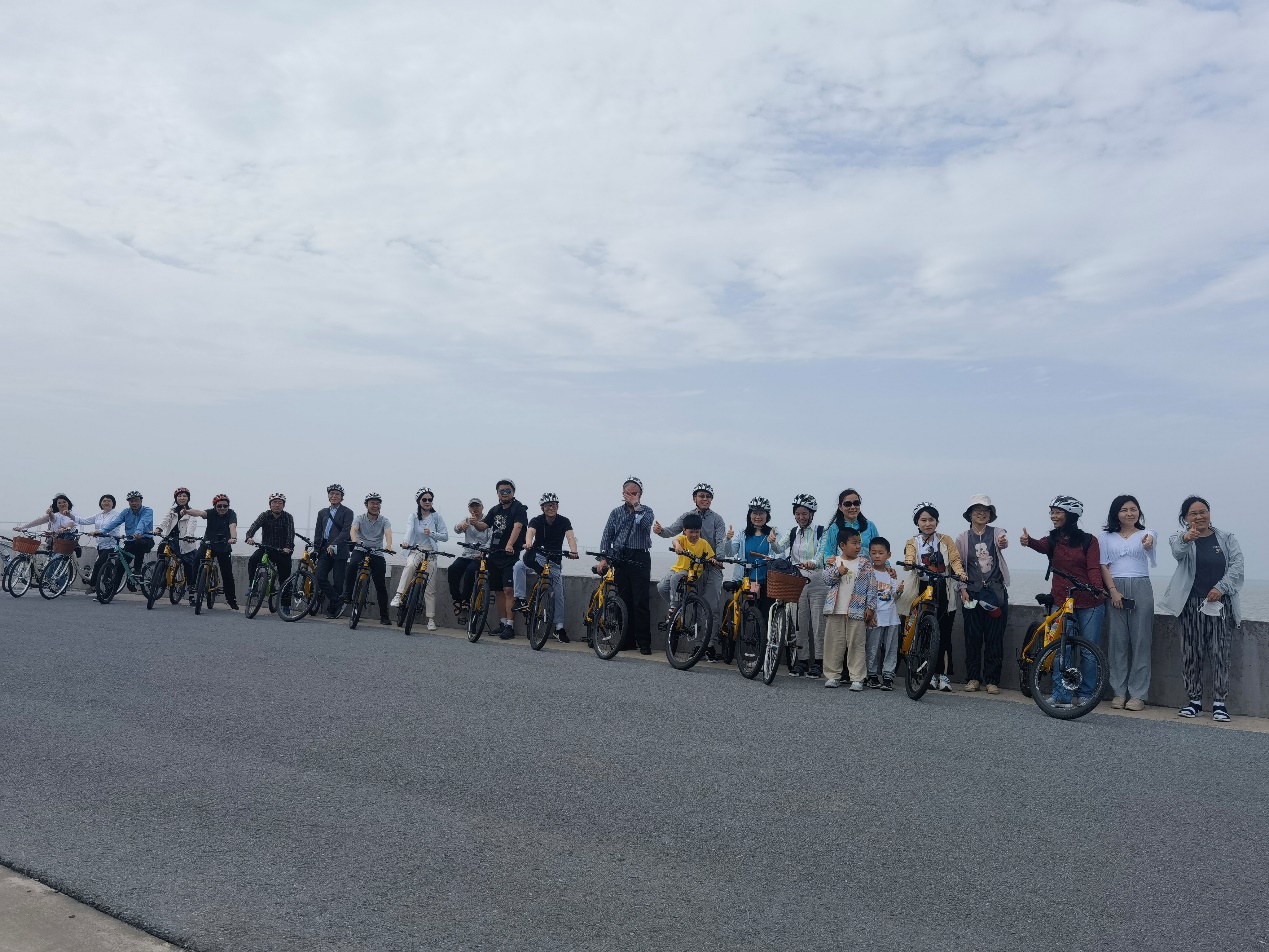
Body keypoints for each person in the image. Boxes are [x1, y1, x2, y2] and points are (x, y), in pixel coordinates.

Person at [1161, 496, 1244, 722]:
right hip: (1190, 604)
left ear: (1209, 513)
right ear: (1185, 518)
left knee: (1220, 652)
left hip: (1221, 604)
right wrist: (1187, 538)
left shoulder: (1226, 538)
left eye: (1203, 511)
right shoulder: (1179, 537)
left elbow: (1237, 566)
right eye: (1193, 513)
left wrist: (1220, 588)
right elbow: (1177, 552)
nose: (1199, 516)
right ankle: (1194, 701)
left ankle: (1219, 703)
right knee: (1191, 653)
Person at [1021, 495, 1104, 708]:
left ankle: (1086, 694)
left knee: (1089, 651)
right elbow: (1040, 545)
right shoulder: (1053, 539)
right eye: (1052, 512)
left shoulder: (1089, 540)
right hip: (1062, 600)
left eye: (1058, 512)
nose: (1053, 516)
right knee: (1060, 649)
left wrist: (1097, 588)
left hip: (1090, 601)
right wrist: (1028, 542)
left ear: (1071, 516)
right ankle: (1061, 696)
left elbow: (1093, 567)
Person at [900, 503, 969, 693]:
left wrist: (960, 573)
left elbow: (954, 559)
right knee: (923, 632)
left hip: (942, 588)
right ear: (917, 523)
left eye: (931, 520)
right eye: (923, 520)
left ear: (937, 522)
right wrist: (908, 562)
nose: (928, 523)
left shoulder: (945, 540)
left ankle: (943, 675)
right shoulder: (913, 542)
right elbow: (909, 557)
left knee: (944, 633)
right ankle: (926, 674)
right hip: (922, 588)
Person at [655, 483, 728, 656]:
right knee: (679, 596)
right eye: (701, 496)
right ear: (694, 498)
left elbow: (720, 541)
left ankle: (708, 645)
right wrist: (660, 531)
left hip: (711, 566)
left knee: (710, 607)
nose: (705, 499)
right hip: (691, 566)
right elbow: (672, 531)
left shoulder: (717, 519)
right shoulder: (687, 516)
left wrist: (718, 559)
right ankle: (681, 613)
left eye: (708, 496)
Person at [1099, 495, 1157, 711]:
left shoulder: (1147, 533)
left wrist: (1149, 542)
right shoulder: (1105, 537)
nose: (1129, 513)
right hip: (1115, 587)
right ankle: (1119, 691)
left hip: (1141, 586)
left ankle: (1138, 694)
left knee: (1141, 640)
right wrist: (1113, 591)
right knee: (1117, 641)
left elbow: (1150, 543)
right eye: (1124, 510)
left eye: (1134, 509)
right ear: (1116, 513)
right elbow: (1103, 565)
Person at [954, 496, 1009, 694]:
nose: (981, 513)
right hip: (972, 593)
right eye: (977, 510)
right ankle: (973, 678)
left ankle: (992, 681)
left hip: (995, 593)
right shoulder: (962, 538)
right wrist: (962, 589)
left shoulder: (997, 532)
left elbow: (1002, 541)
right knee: (972, 637)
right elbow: (958, 565)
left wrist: (1003, 542)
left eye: (985, 510)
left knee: (995, 638)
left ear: (990, 514)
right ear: (970, 514)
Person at [598, 477, 655, 654]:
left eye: (635, 493)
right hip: (621, 558)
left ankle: (644, 642)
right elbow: (607, 536)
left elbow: (646, 524)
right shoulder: (616, 513)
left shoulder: (646, 511)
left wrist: (636, 505)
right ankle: (626, 640)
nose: (631, 496)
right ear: (623, 494)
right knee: (623, 600)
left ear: (641, 494)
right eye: (628, 493)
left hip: (640, 557)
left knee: (641, 601)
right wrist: (604, 558)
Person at [514, 492, 579, 642]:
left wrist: (573, 550)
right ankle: (520, 599)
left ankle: (559, 627)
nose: (551, 508)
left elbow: (570, 536)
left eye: (554, 505)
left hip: (554, 561)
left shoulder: (564, 521)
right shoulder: (537, 520)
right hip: (537, 557)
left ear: (557, 506)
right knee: (518, 566)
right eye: (548, 505)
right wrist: (528, 543)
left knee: (558, 593)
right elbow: (530, 532)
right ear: (542, 508)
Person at [821, 527, 878, 691]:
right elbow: (826, 579)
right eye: (854, 543)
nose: (858, 546)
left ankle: (857, 678)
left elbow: (872, 587)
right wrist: (837, 572)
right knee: (834, 643)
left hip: (857, 611)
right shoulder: (834, 561)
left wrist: (871, 607)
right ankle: (833, 676)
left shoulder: (865, 563)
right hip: (835, 610)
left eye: (859, 543)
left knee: (857, 644)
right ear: (842, 545)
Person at [471, 479, 528, 639]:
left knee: (508, 590)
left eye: (508, 490)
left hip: (510, 555)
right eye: (501, 491)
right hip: (494, 555)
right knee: (498, 592)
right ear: (497, 493)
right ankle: (502, 623)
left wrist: (509, 544)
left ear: (513, 492)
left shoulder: (518, 508)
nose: (505, 493)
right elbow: (483, 526)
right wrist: (475, 523)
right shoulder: (495, 510)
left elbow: (518, 527)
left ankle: (510, 626)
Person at [720, 497, 785, 625]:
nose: (758, 517)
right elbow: (730, 552)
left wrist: (773, 545)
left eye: (761, 513)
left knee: (766, 617)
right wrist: (727, 540)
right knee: (745, 616)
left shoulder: (774, 534)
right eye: (755, 513)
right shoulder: (742, 534)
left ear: (767, 516)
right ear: (750, 515)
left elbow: (781, 554)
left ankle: (762, 638)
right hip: (746, 581)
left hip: (768, 581)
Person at [391, 488, 449, 631]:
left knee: (430, 587)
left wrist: (432, 533)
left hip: (431, 552)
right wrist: (406, 541)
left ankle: (431, 619)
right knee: (410, 566)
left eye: (430, 500)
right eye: (424, 499)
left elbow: (445, 536)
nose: (428, 502)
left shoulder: (436, 517)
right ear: (419, 501)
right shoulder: (413, 516)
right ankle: (399, 595)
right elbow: (409, 529)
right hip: (416, 549)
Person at [786, 494, 827, 678]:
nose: (801, 517)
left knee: (819, 623)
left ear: (811, 514)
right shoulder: (792, 532)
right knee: (799, 622)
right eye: (797, 513)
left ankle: (819, 661)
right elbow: (779, 548)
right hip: (797, 579)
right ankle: (801, 660)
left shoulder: (821, 531)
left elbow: (822, 553)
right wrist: (773, 542)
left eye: (804, 513)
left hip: (818, 579)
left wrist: (814, 562)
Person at [343, 491, 394, 625]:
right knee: (352, 564)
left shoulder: (384, 520)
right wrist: (354, 540)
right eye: (372, 503)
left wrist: (388, 545)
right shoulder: (360, 518)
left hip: (377, 552)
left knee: (380, 584)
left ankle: (384, 616)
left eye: (377, 503)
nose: (375, 506)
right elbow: (353, 530)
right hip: (361, 549)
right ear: (366, 505)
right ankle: (347, 594)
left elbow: (388, 533)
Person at [184, 494, 240, 610]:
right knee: (197, 559)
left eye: (225, 506)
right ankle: (193, 585)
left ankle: (231, 600)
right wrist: (187, 512)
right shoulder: (210, 512)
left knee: (227, 574)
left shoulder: (231, 514)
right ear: (215, 506)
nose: (222, 508)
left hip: (224, 545)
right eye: (219, 506)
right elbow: (199, 513)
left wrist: (233, 538)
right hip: (208, 543)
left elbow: (232, 526)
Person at [244, 493, 295, 613]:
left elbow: (290, 534)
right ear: (270, 505)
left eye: (280, 503)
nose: (277, 505)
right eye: (274, 503)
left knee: (285, 577)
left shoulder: (288, 517)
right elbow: (254, 526)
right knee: (253, 560)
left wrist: (288, 547)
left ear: (283, 505)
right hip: (266, 548)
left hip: (282, 550)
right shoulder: (265, 515)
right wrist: (249, 537)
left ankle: (285, 605)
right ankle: (252, 586)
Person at [656, 513, 719, 609]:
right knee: (661, 587)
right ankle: (678, 607)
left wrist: (713, 561)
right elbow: (675, 541)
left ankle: (674, 607)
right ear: (684, 530)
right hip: (677, 569)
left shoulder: (703, 543)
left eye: (697, 532)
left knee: (675, 578)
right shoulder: (683, 539)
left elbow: (711, 556)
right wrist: (678, 546)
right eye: (691, 532)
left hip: (691, 572)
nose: (694, 535)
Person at [865, 538, 903, 690]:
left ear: (888, 555)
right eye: (874, 553)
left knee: (891, 648)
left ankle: (888, 675)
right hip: (875, 617)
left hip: (892, 617)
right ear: (869, 554)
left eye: (881, 553)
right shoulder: (868, 572)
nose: (877, 556)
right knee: (872, 646)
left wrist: (899, 591)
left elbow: (894, 595)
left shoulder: (890, 574)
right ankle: (872, 674)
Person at [154, 488, 203, 602]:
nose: (182, 498)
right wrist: (158, 529)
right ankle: (161, 572)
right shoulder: (172, 511)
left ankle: (191, 593)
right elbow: (165, 521)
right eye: (179, 496)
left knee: (189, 566)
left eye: (184, 496)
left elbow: (192, 524)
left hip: (185, 541)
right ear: (176, 498)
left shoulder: (191, 512)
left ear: (188, 498)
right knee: (161, 548)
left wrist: (189, 535)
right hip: (171, 539)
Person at [313, 484, 355, 618]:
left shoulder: (347, 512)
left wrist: (334, 544)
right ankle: (337, 600)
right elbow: (318, 532)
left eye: (337, 494)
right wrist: (316, 548)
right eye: (331, 494)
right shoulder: (322, 512)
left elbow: (345, 532)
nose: (334, 496)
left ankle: (333, 608)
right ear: (328, 496)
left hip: (340, 549)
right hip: (324, 549)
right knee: (319, 577)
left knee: (338, 581)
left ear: (342, 497)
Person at [99, 491, 155, 583]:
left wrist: (138, 532)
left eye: (136, 500)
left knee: (139, 543)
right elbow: (115, 522)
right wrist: (102, 531)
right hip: (131, 541)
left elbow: (143, 522)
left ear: (141, 501)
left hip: (146, 540)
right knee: (120, 566)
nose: (134, 503)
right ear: (128, 502)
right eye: (131, 501)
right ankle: (112, 590)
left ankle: (137, 570)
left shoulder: (148, 511)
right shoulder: (126, 512)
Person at [450, 498, 492, 614]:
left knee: (471, 570)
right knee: (452, 569)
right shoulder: (467, 520)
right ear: (469, 509)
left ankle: (466, 600)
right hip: (467, 554)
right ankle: (456, 598)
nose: (475, 508)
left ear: (482, 507)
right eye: (472, 506)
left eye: (477, 506)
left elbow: (491, 539)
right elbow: (456, 529)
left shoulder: (488, 520)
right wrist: (460, 526)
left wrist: (483, 552)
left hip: (482, 555)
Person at [818, 489, 880, 565]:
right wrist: (830, 562)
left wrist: (886, 565)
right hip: (843, 570)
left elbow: (879, 549)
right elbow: (828, 552)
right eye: (848, 504)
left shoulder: (869, 526)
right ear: (840, 507)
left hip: (867, 570)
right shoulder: (834, 528)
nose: (853, 507)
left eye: (856, 503)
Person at [75, 494, 123, 590]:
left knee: (98, 564)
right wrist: (69, 515)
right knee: (106, 567)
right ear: (101, 503)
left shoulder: (116, 515)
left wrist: (98, 532)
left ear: (113, 503)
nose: (106, 503)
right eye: (104, 501)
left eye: (109, 501)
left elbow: (112, 527)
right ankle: (108, 588)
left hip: (112, 544)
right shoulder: (98, 515)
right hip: (101, 544)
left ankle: (92, 585)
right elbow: (83, 521)